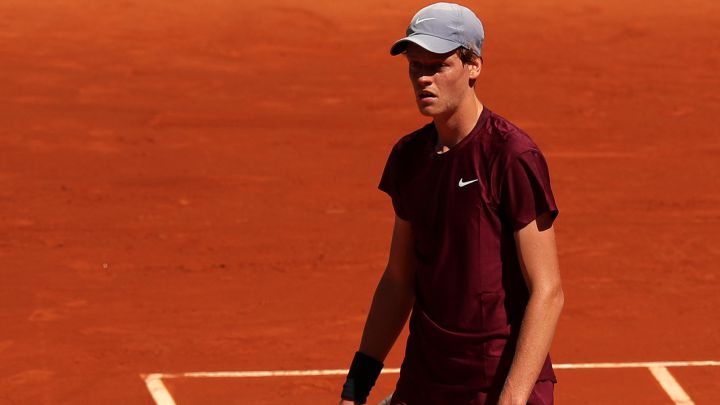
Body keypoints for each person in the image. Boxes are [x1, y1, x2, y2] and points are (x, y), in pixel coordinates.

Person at [339, 3, 564, 404]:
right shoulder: (408, 158)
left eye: (437, 66)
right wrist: (356, 387)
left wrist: (511, 399)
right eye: (414, 66)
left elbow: (547, 291)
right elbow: (398, 280)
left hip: (496, 385)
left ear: (473, 65)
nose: (423, 78)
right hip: (426, 382)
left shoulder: (510, 156)